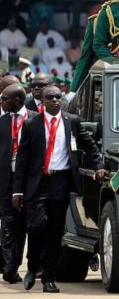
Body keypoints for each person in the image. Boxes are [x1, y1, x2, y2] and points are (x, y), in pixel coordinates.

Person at [12, 86, 105, 293]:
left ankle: (48, 278)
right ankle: (32, 265)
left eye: (58, 97)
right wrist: (17, 190)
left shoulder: (71, 121)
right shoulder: (31, 124)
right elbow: (22, 159)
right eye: (50, 97)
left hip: (61, 182)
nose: (55, 100)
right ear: (42, 101)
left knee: (55, 231)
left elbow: (90, 146)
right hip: (37, 183)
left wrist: (98, 165)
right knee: (37, 226)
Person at [0, 84, 36, 284]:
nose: (1, 102)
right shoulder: (2, 121)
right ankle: (9, 268)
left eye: (4, 98)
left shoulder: (35, 119)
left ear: (16, 100)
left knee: (22, 225)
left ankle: (18, 262)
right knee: (7, 222)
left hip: (27, 181)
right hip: (6, 179)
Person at [71, 0, 119, 93]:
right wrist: (73, 90)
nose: (117, 1)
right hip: (102, 79)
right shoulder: (95, 22)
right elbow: (85, 58)